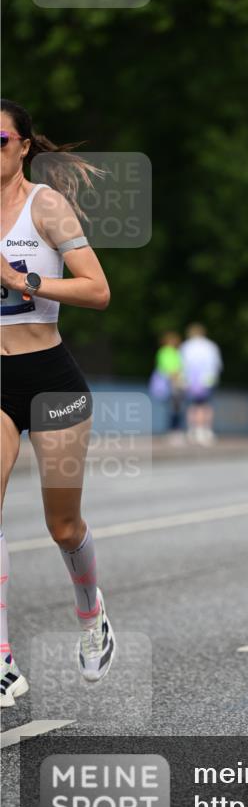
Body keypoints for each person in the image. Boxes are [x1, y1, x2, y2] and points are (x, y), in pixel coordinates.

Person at [0, 99, 115, 707]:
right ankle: (2, 660)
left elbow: (98, 291)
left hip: (51, 377)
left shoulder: (46, 206)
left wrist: (23, 281)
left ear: (22, 147)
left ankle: (91, 611)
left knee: (61, 524)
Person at [180, 323, 223, 445]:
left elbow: (181, 365)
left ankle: (193, 430)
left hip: (191, 381)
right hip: (207, 380)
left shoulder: (186, 346)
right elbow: (216, 364)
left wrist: (183, 380)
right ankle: (205, 430)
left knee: (193, 406)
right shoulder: (210, 346)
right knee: (205, 406)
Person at [150, 331, 185, 440]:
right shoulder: (167, 352)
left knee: (174, 408)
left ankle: (174, 430)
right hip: (171, 384)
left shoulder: (173, 352)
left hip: (173, 384)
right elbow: (170, 369)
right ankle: (173, 431)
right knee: (174, 408)